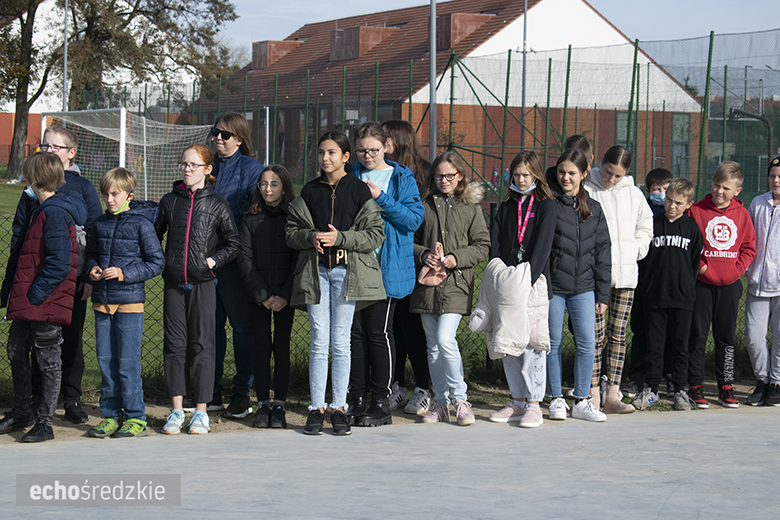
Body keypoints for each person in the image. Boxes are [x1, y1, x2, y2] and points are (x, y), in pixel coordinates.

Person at [286, 131, 385, 436]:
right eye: (320, 153)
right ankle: (316, 408)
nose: (324, 158)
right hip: (315, 275)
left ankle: (338, 408)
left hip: (346, 274)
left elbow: (374, 234)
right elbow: (291, 232)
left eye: (331, 153)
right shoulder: (310, 191)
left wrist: (340, 238)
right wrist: (310, 237)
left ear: (345, 157)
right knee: (319, 341)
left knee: (341, 342)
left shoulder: (358, 190)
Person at [3, 127, 103, 425]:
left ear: (71, 152)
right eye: (44, 145)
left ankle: (69, 399)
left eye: (55, 146)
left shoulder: (79, 189)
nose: (48, 151)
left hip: (64, 281)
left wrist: (87, 275)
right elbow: (21, 234)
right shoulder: (33, 192)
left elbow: (93, 234)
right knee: (28, 345)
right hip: (35, 280)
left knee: (65, 343)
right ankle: (32, 404)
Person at [155, 144, 240, 435]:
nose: (187, 169)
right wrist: (163, 261)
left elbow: (234, 243)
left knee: (203, 345)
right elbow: (154, 238)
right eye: (184, 164)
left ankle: (201, 412)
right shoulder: (169, 201)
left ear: (207, 169)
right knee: (174, 345)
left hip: (204, 285)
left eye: (193, 165)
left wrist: (213, 260)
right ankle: (177, 410)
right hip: (173, 285)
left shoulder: (217, 204)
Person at [345, 122, 423, 427]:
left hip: (386, 267)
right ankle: (357, 399)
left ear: (387, 145)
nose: (368, 156)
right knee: (355, 335)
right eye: (362, 150)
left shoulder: (401, 176)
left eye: (374, 150)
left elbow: (413, 220)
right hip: (354, 267)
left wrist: (381, 197)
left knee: (379, 334)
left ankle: (381, 401)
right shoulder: (350, 174)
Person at [410, 151, 490, 426]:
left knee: (445, 339)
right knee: (432, 347)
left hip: (456, 285)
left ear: (460, 176)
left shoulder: (471, 207)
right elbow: (411, 240)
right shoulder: (424, 204)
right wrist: (423, 255)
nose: (444, 180)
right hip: (426, 286)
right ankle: (441, 403)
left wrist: (456, 258)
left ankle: (460, 399)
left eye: (449, 176)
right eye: (438, 175)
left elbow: (482, 246)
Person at [85, 168, 165, 438]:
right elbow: (91, 255)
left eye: (115, 194)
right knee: (106, 363)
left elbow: (156, 262)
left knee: (127, 364)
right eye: (105, 194)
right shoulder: (99, 224)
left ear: (129, 195)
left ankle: (136, 418)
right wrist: (93, 268)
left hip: (130, 305)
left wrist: (124, 273)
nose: (109, 199)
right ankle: (110, 416)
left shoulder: (141, 224)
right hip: (102, 304)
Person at [487, 150, 555, 428]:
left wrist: (525, 278)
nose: (521, 179)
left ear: (536, 175)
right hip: (507, 282)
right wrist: (501, 273)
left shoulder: (546, 206)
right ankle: (516, 400)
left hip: (532, 282)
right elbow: (496, 242)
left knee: (531, 343)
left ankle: (535, 403)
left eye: (526, 174)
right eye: (516, 175)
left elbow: (543, 246)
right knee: (508, 343)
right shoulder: (507, 205)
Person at [585, 145, 653, 414]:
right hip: (593, 276)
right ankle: (590, 394)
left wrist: (637, 249)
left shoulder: (634, 194)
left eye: (617, 176)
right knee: (592, 335)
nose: (610, 179)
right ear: (600, 163)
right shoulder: (587, 189)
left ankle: (613, 394)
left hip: (625, 275)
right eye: (608, 172)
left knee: (617, 335)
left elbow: (645, 226)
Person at [546, 149, 611, 422]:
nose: (566, 177)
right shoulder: (548, 204)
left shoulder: (594, 209)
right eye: (562, 172)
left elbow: (603, 253)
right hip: (553, 289)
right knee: (552, 343)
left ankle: (583, 399)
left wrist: (603, 293)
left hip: (584, 288)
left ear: (584, 174)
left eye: (572, 173)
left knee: (588, 343)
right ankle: (556, 398)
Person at [687, 161, 756, 409]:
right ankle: (694, 385)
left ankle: (726, 387)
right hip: (701, 285)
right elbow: (691, 245)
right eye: (716, 185)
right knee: (697, 336)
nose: (719, 191)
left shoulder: (742, 215)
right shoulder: (696, 211)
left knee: (725, 338)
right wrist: (702, 267)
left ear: (737, 191)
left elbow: (749, 247)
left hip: (729, 286)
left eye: (725, 188)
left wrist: (737, 271)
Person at [631, 179, 702, 411]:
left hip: (683, 299)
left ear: (688, 204)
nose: (671, 205)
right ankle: (651, 389)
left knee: (680, 346)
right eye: (669, 200)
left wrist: (685, 289)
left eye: (678, 203)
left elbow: (693, 263)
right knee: (655, 346)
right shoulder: (653, 224)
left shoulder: (692, 229)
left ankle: (680, 390)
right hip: (655, 297)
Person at [209, 112, 263, 418]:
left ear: (240, 139)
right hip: (204, 261)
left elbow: (250, 216)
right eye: (215, 132)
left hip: (232, 260)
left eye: (225, 134)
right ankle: (210, 391)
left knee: (242, 328)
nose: (218, 138)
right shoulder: (209, 165)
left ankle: (242, 392)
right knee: (210, 329)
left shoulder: (251, 169)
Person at [238, 165, 297, 429]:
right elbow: (245, 259)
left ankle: (280, 406)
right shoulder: (249, 218)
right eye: (263, 184)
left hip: (285, 296)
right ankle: (262, 404)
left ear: (284, 187)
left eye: (274, 184)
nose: (267, 189)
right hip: (257, 297)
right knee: (261, 349)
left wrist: (285, 295)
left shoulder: (294, 217)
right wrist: (261, 294)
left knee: (281, 348)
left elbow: (299, 260)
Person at [382, 119, 432, 415]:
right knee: (392, 329)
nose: (381, 142)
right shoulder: (380, 173)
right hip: (390, 261)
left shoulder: (422, 173)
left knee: (414, 328)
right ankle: (396, 386)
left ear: (399, 139)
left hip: (418, 260)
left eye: (386, 137)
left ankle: (424, 387)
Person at [744, 157, 780, 406]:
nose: (776, 181)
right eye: (772, 176)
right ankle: (762, 380)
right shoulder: (758, 203)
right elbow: (748, 238)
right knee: (754, 336)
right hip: (758, 282)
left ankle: (776, 383)